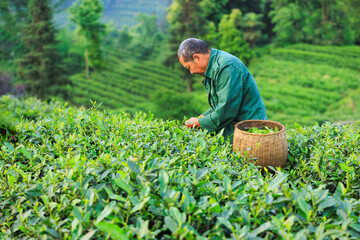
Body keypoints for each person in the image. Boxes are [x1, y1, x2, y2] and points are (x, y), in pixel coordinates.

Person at [178, 38, 267, 143]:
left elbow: (226, 110)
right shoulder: (214, 66)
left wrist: (199, 123)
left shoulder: (227, 67)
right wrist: (203, 117)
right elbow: (220, 104)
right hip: (235, 124)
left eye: (189, 67)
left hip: (249, 128)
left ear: (196, 58)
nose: (191, 72)